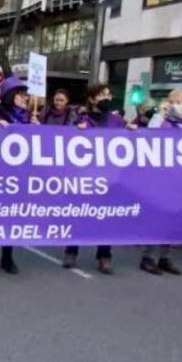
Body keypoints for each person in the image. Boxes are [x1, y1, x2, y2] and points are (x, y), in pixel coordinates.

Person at [63, 85, 131, 274]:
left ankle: (104, 255)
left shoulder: (117, 120)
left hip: (109, 177)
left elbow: (129, 139)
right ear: (92, 99)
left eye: (109, 94)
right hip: (85, 176)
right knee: (79, 213)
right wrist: (76, 131)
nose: (106, 98)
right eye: (102, 95)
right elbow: (64, 140)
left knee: (106, 216)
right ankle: (71, 250)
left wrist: (134, 128)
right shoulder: (81, 119)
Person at [140, 88, 182, 276]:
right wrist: (159, 115)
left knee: (175, 218)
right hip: (161, 179)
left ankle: (165, 257)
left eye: (179, 100)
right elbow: (148, 137)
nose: (175, 104)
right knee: (158, 218)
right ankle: (148, 257)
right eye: (172, 100)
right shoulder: (162, 120)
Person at [0, 76, 36, 274]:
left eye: (25, 95)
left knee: (11, 217)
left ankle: (7, 257)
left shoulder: (28, 118)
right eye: (21, 95)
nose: (25, 98)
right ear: (10, 95)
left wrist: (38, 131)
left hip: (17, 177)